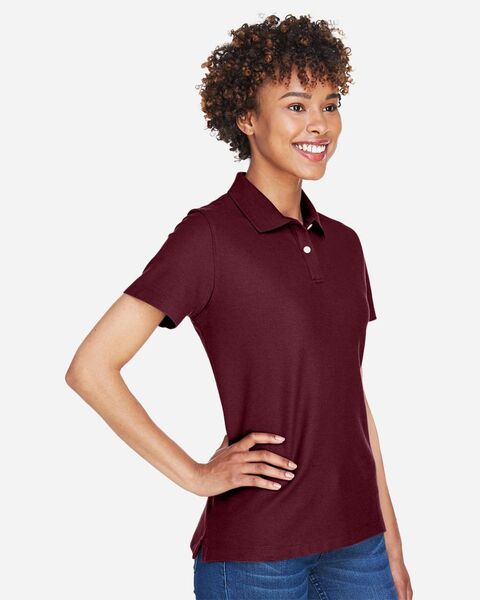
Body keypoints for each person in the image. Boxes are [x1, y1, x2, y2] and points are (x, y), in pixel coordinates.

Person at [65, 13, 413, 600]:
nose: (320, 124)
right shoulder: (208, 236)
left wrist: (392, 548)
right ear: (247, 119)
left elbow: (349, 397)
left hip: (361, 548)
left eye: (330, 105)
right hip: (258, 557)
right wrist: (196, 474)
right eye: (296, 106)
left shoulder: (346, 244)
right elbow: (91, 368)